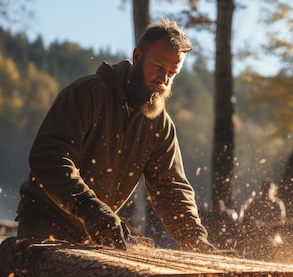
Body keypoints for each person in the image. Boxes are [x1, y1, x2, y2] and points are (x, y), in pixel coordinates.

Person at [16, 18, 214, 253]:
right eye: (159, 68)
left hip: (95, 232)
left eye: (173, 73)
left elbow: (171, 189)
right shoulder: (86, 94)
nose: (164, 80)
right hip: (45, 221)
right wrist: (89, 209)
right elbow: (48, 157)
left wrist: (196, 241)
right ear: (138, 57)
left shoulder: (160, 125)